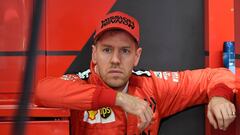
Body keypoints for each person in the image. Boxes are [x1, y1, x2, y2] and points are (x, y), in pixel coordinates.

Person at [35, 11, 236, 135]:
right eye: (107, 50)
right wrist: (119, 99)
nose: (115, 59)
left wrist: (219, 97)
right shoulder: (81, 84)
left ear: (137, 56)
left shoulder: (151, 85)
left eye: (125, 51)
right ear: (94, 54)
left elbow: (217, 75)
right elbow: (43, 90)